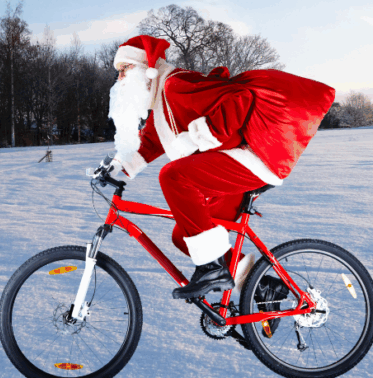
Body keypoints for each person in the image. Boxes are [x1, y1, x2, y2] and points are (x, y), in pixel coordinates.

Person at [103, 35, 334, 301]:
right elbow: (150, 143)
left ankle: (212, 270)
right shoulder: (162, 103)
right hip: (225, 169)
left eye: (125, 68)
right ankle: (263, 289)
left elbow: (239, 98)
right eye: (119, 71)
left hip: (249, 158)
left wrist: (197, 137)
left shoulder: (175, 84)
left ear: (147, 67)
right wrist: (116, 167)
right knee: (183, 235)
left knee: (174, 176)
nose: (120, 77)